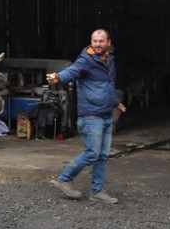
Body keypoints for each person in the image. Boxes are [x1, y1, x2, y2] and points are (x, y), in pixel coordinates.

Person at [46, 29, 126, 203]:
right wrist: (58, 77)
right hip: (91, 116)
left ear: (108, 43)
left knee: (103, 156)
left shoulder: (109, 61)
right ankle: (64, 178)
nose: (97, 44)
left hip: (105, 116)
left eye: (101, 41)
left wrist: (115, 102)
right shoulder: (86, 60)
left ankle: (97, 192)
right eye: (94, 41)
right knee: (92, 152)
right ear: (91, 42)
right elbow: (72, 71)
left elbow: (107, 86)